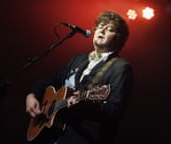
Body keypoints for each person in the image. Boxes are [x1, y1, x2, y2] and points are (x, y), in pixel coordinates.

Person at [25, 10, 133, 144]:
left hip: (82, 138)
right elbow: (52, 80)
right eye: (100, 26)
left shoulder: (120, 67)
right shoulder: (79, 59)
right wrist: (33, 94)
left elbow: (114, 111)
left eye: (109, 29)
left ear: (119, 38)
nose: (102, 30)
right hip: (51, 135)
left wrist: (84, 104)